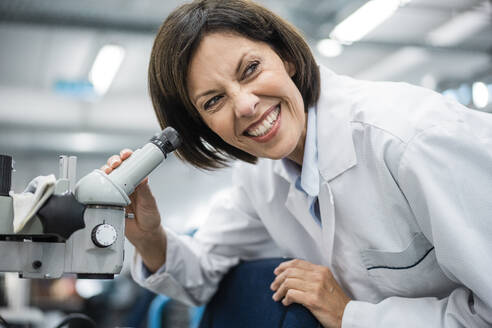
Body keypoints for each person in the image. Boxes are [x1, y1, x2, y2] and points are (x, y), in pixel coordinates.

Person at [101, 0, 492, 327]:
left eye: (251, 69)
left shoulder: (411, 138)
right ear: (201, 127)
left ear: (286, 56)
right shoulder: (261, 176)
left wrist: (350, 315)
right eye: (213, 101)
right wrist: (147, 235)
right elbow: (201, 275)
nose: (245, 104)